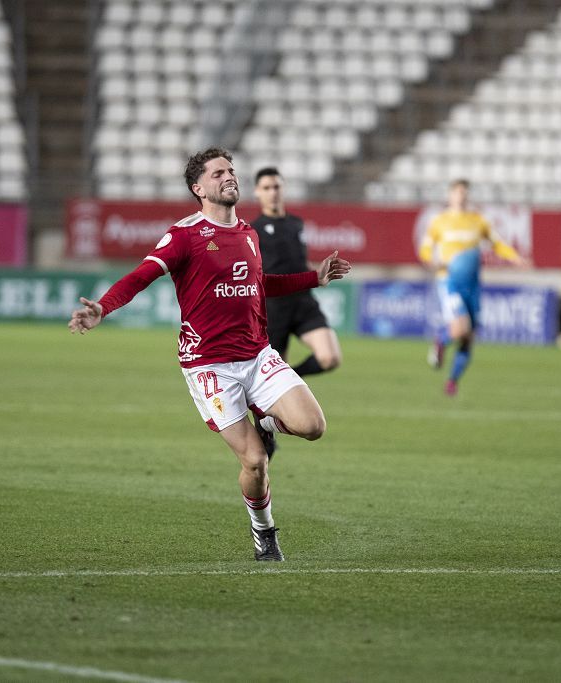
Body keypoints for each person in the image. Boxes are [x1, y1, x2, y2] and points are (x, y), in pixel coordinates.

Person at [69, 148, 350, 561]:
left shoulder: (249, 233)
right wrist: (103, 308)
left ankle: (268, 419)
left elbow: (259, 284)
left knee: (313, 426)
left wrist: (314, 277)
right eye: (219, 173)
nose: (229, 177)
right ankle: (264, 532)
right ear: (198, 188)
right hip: (209, 366)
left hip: (257, 355)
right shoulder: (183, 236)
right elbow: (140, 277)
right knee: (255, 462)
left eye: (232, 171)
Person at [419, 178, 527, 396]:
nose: (462, 196)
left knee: (469, 338)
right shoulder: (439, 221)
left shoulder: (478, 221)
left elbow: (497, 243)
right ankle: (441, 339)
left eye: (464, 193)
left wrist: (516, 258)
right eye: (458, 192)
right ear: (450, 195)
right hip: (449, 281)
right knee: (460, 328)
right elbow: (425, 249)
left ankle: (452, 381)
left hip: (473, 284)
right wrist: (432, 261)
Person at [251, 167, 342, 378]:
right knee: (272, 375)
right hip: (273, 307)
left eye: (276, 187)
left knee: (330, 357)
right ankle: (280, 385)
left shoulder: (296, 224)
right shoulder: (253, 230)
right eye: (267, 188)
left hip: (303, 302)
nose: (273, 192)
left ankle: (290, 377)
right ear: (257, 192)